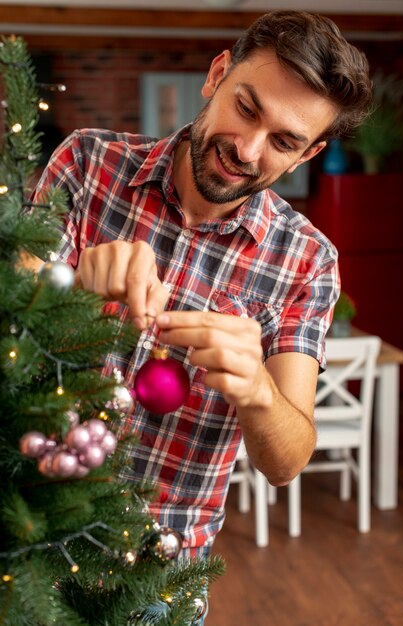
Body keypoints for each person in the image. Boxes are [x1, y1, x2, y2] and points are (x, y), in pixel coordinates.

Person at [30, 10, 372, 622]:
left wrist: (259, 392)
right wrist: (70, 289)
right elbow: (10, 337)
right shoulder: (86, 165)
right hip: (26, 538)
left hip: (159, 580)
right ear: (217, 74)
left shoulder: (307, 263)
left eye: (284, 141)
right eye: (247, 107)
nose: (247, 149)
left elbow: (287, 462)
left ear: (308, 154)